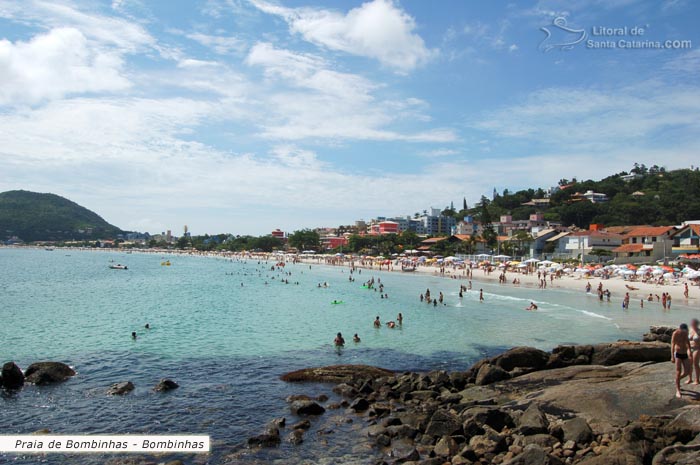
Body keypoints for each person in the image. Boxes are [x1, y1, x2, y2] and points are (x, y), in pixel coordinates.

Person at [671, 323, 692, 398]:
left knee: (687, 371)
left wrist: (689, 350)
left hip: (684, 353)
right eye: (683, 330)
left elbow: (687, 341)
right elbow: (672, 344)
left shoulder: (686, 332)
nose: (684, 332)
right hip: (678, 354)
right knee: (678, 371)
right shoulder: (675, 333)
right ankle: (678, 390)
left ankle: (677, 380)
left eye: (685, 331)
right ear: (679, 329)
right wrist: (672, 357)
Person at [689, 319, 700, 385]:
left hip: (697, 348)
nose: (692, 324)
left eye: (694, 323)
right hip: (689, 348)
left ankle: (697, 380)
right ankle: (690, 379)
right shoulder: (690, 329)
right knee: (689, 364)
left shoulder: (699, 331)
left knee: (695, 364)